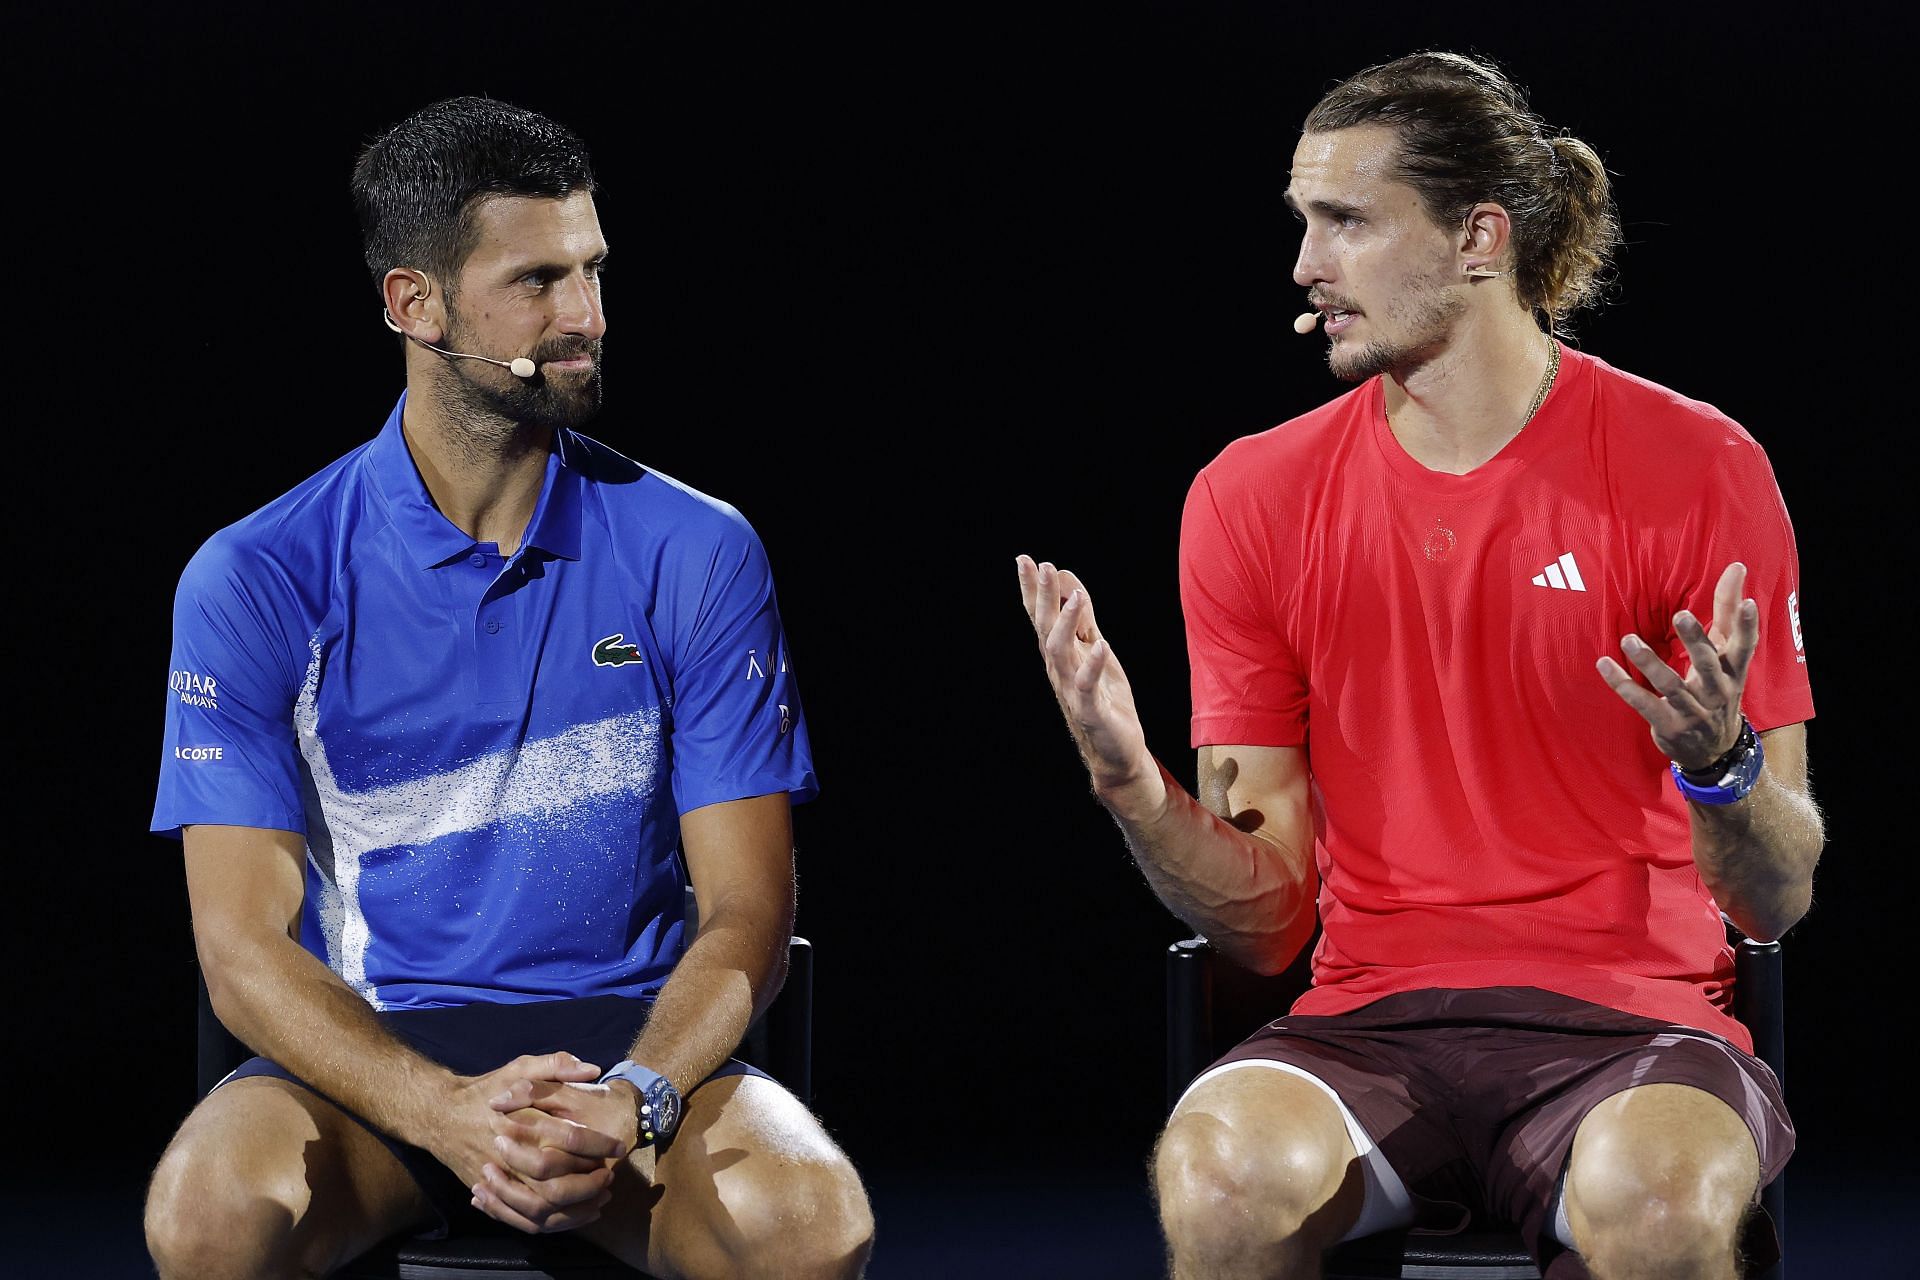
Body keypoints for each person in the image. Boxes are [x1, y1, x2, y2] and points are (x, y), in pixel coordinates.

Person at [1017, 51, 1820, 1280]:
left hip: (1635, 1025)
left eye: (1344, 222)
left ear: (1478, 238)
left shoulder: (1701, 465)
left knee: (1656, 1206)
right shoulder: (1250, 497)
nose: (1303, 266)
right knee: (1220, 1181)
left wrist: (1721, 762)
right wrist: (1132, 787)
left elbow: (1780, 894)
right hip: (1370, 1023)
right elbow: (1268, 917)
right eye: (1303, 223)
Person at [145, 96, 873, 1280]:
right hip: (370, 1067)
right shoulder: (256, 574)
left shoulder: (698, 547)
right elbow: (237, 944)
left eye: (593, 270)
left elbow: (748, 913)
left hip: (626, 1065)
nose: (585, 315)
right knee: (208, 1215)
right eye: (537, 280)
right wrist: (443, 1109)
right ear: (412, 303)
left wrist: (638, 1094)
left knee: (808, 1223)